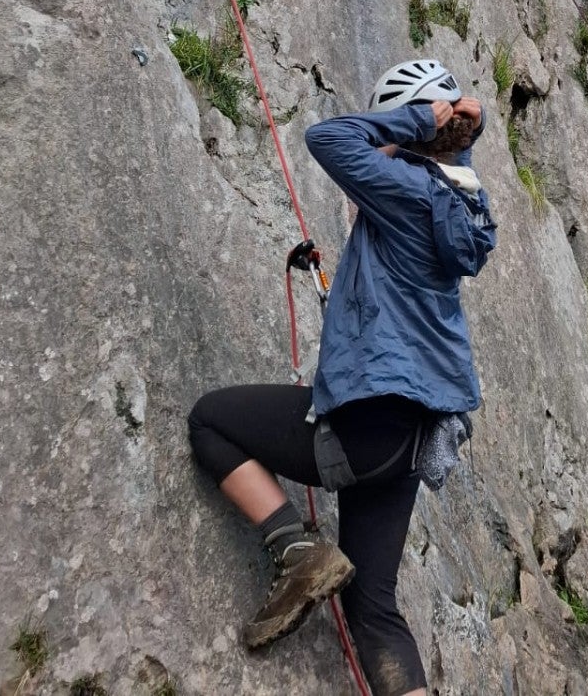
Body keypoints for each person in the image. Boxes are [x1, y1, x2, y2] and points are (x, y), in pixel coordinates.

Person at [187, 58, 496, 696]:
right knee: (372, 609)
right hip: (410, 440)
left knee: (211, 420)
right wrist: (456, 127)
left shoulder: (406, 187)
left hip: (372, 421)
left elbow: (327, 138)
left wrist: (413, 122)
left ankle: (295, 551)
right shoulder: (457, 197)